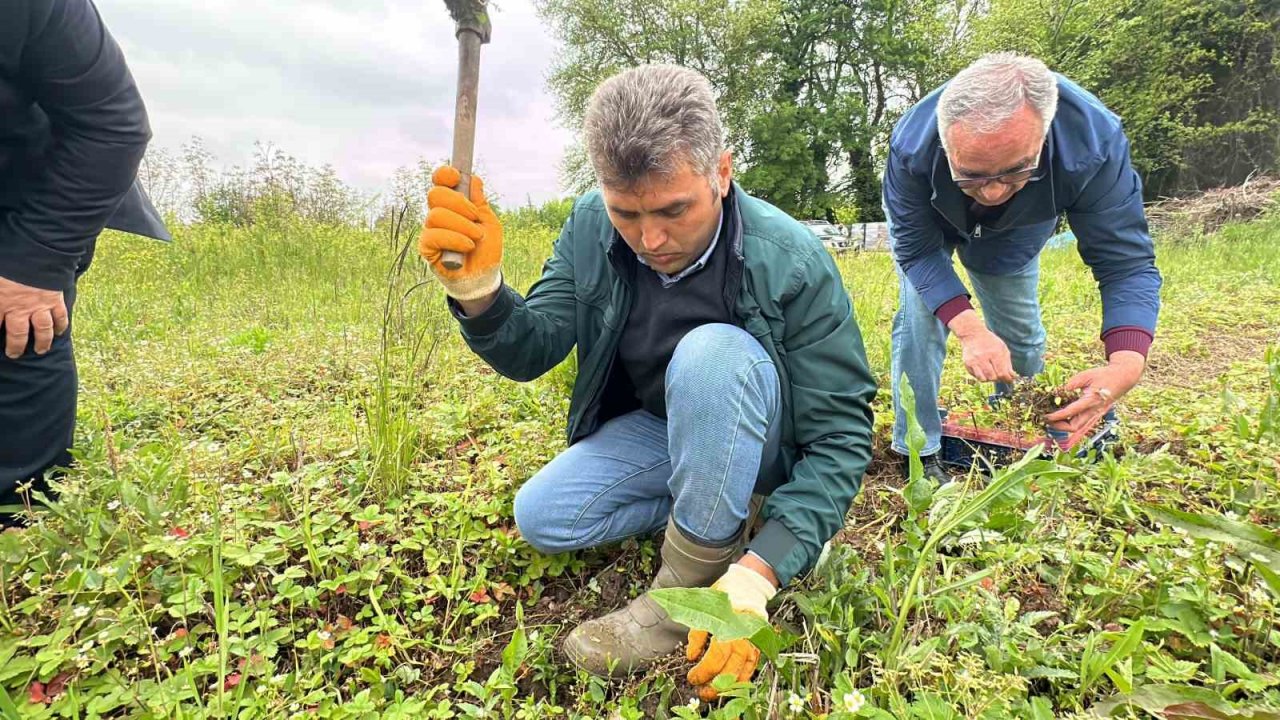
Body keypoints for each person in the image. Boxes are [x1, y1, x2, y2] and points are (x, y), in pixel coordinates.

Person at [419, 65, 876, 699]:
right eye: (626, 213)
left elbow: (841, 436)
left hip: (762, 435)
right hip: (663, 429)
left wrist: (763, 568)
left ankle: (688, 590)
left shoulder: (789, 260)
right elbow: (535, 346)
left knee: (713, 355)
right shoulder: (590, 226)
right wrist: (480, 293)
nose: (650, 238)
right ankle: (724, 503)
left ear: (721, 171)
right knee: (544, 516)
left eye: (673, 210)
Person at [882, 52, 1161, 481]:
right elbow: (918, 252)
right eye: (972, 175)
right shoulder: (911, 146)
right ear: (946, 142)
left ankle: (1019, 420)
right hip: (931, 225)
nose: (991, 194)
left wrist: (1126, 364)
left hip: (1022, 225)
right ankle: (918, 447)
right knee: (920, 320)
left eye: (1014, 172)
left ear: (1045, 134)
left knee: (1019, 335)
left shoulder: (1093, 143)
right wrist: (971, 331)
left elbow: (1125, 263)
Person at [0, 0, 170, 516]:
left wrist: (35, 263)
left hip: (27, 196)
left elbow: (112, 124)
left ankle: (21, 525)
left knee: (18, 334)